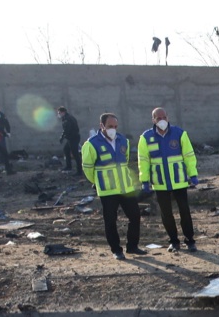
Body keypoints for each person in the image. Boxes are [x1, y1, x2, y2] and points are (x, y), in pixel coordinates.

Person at [81, 112, 144, 260]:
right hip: (108, 190)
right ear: (102, 126)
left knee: (135, 216)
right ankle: (116, 250)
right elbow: (87, 168)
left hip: (126, 188)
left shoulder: (123, 141)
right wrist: (97, 182)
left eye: (115, 126)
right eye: (110, 126)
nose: (113, 129)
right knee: (110, 221)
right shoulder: (91, 144)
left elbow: (126, 160)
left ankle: (132, 247)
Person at [137, 107, 199, 252]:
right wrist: (144, 180)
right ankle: (174, 241)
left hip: (179, 180)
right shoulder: (146, 137)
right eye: (158, 118)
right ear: (153, 120)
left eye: (164, 117)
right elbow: (143, 160)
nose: (162, 120)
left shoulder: (179, 134)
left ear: (168, 117)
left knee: (185, 211)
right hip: (160, 183)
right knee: (166, 214)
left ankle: (190, 240)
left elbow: (189, 155)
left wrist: (193, 174)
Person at [56, 106, 81, 172]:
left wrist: (62, 137)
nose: (59, 114)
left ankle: (79, 170)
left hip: (73, 138)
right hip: (72, 137)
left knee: (75, 154)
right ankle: (68, 166)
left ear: (63, 112)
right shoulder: (67, 117)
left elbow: (67, 130)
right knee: (66, 150)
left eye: (59, 113)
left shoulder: (67, 119)